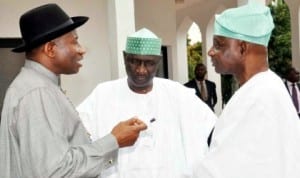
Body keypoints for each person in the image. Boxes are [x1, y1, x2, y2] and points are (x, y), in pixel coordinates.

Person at [0, 4, 147, 178]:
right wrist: (114, 141)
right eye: (74, 41)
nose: (82, 49)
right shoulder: (38, 92)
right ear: (50, 49)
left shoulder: (38, 86)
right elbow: (55, 171)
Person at [77, 28, 217, 178]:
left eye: (149, 63)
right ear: (125, 57)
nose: (141, 70)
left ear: (158, 61)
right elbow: (79, 137)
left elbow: (213, 130)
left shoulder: (178, 94)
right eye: (134, 61)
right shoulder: (103, 94)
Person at [195, 2, 300, 178]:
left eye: (219, 44)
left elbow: (219, 171)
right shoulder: (264, 87)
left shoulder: (258, 97)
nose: (211, 52)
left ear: (242, 48)